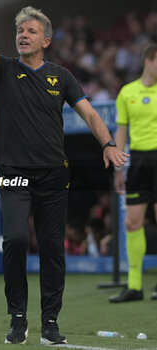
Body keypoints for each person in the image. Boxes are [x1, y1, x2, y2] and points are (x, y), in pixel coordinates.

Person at [0, 7, 128, 344]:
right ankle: (18, 318)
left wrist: (109, 143)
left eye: (31, 31)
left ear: (46, 40)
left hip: (53, 175)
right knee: (17, 240)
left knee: (53, 247)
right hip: (12, 173)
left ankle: (50, 322)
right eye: (19, 31)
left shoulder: (62, 76)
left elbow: (89, 113)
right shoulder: (5, 69)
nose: (23, 35)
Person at [110, 43, 157, 303]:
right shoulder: (127, 92)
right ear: (148, 61)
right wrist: (119, 166)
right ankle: (135, 286)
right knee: (132, 222)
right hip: (138, 160)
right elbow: (121, 130)